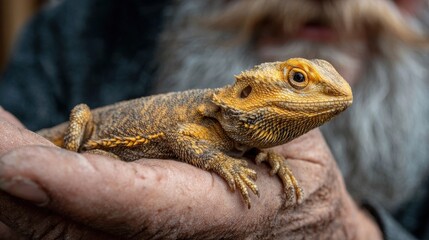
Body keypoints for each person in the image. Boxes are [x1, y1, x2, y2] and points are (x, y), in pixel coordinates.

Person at [0, 0, 427, 239]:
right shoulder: (78, 28)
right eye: (298, 79)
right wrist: (222, 163)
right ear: (247, 91)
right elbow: (187, 136)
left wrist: (349, 232)